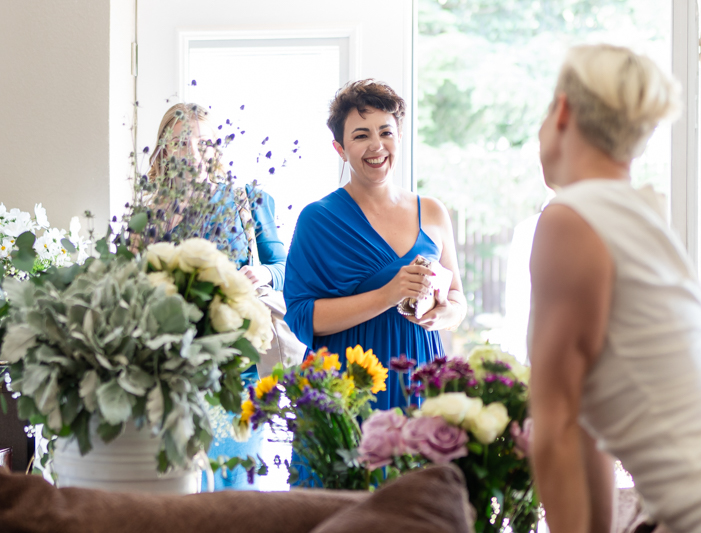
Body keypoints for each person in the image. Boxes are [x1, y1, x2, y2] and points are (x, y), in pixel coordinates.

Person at [528, 44, 701, 533]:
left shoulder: (570, 220)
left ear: (563, 110)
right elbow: (583, 429)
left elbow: (555, 428)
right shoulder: (640, 215)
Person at [284, 79, 466, 410]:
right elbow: (300, 315)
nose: (376, 145)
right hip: (346, 385)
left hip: (419, 371)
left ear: (399, 137)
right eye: (361, 135)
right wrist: (388, 294)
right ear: (340, 149)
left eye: (385, 132)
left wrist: (440, 315)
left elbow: (457, 300)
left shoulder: (433, 211)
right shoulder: (317, 219)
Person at [146, 103, 288, 490]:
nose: (191, 152)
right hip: (168, 375)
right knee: (171, 495)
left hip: (237, 375)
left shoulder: (248, 200)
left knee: (233, 493)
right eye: (180, 142)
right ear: (163, 150)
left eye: (202, 142)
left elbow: (287, 269)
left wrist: (262, 273)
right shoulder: (148, 213)